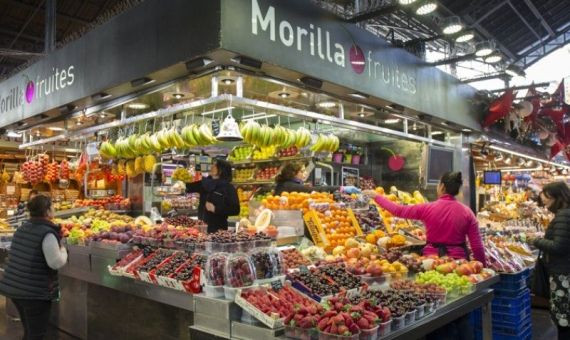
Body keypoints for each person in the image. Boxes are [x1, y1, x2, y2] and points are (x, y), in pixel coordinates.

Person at [364, 171, 486, 265]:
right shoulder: (467, 212)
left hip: (431, 262)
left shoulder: (428, 208)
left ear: (442, 186)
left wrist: (377, 196)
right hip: (459, 263)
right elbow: (477, 247)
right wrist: (482, 268)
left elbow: (397, 210)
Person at [0, 195, 68, 340]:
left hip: (15, 289)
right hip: (34, 294)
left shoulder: (22, 228)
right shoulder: (47, 233)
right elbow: (55, 262)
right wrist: (63, 250)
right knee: (37, 334)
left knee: (29, 331)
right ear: (48, 211)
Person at [531, 182, 570, 339]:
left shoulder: (564, 215)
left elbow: (558, 246)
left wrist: (535, 240)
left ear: (556, 197)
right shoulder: (565, 214)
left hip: (562, 274)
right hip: (564, 271)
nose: (544, 202)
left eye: (546, 198)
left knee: (563, 318)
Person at [185, 159, 240, 233]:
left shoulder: (228, 188)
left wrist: (215, 209)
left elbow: (235, 209)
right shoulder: (205, 183)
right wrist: (187, 175)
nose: (211, 167)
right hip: (201, 229)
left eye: (214, 165)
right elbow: (187, 187)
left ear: (221, 170)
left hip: (218, 231)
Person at [274, 162, 360, 196]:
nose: (304, 173)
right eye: (301, 171)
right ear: (293, 173)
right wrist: (342, 188)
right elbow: (317, 189)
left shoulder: (284, 184)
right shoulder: (289, 185)